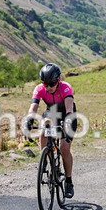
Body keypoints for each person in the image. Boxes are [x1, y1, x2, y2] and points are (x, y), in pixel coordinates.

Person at [24, 63, 76, 198]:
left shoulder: (66, 88)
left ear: (58, 80)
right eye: (45, 84)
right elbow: (33, 108)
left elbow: (69, 109)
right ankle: (45, 159)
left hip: (66, 114)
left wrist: (68, 125)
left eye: (51, 84)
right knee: (44, 127)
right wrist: (29, 121)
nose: (48, 88)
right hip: (51, 113)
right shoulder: (39, 89)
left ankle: (69, 181)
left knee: (64, 148)